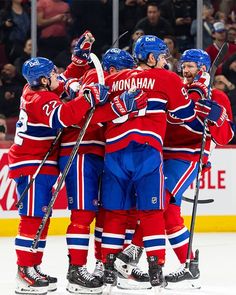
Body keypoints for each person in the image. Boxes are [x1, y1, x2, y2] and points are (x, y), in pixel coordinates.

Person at [116, 49, 234, 289]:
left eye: (190, 66)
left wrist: (216, 118)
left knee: (159, 200)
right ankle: (190, 267)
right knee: (169, 214)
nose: (185, 69)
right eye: (184, 65)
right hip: (161, 156)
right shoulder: (175, 89)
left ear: (202, 68)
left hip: (188, 157)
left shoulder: (217, 96)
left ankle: (133, 251)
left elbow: (226, 137)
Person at [99, 35, 204, 292]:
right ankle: (156, 270)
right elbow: (185, 114)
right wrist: (199, 103)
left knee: (114, 213)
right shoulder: (167, 79)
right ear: (151, 57)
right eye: (162, 56)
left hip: (114, 153)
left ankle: (109, 269)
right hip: (147, 153)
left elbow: (98, 117)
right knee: (152, 212)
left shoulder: (115, 79)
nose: (165, 61)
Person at [7, 54, 109, 295]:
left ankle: (33, 266)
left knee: (40, 220)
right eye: (51, 73)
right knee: (32, 219)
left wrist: (77, 63)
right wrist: (89, 96)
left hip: (36, 164)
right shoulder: (40, 98)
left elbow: (63, 81)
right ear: (42, 80)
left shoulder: (32, 88)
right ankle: (24, 271)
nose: (56, 76)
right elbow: (65, 116)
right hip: (32, 166)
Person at [58, 44, 148, 294]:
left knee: (108, 215)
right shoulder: (90, 79)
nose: (127, 77)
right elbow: (81, 113)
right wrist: (117, 106)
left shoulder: (113, 85)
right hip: (81, 152)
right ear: (109, 69)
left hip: (105, 153)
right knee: (83, 214)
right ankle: (76, 271)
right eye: (122, 71)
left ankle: (102, 265)